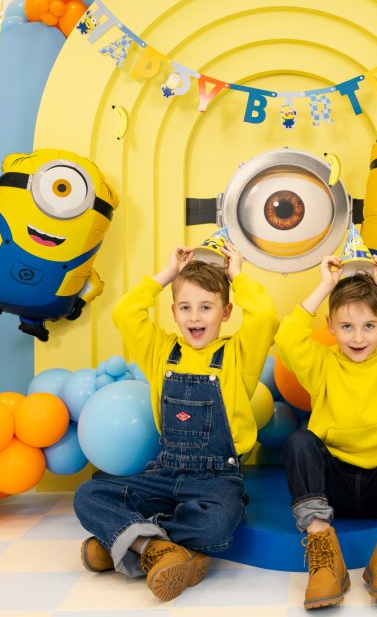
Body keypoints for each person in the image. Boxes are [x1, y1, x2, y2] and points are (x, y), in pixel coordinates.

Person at [73, 242, 279, 601]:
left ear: (227, 311)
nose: (195, 317)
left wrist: (236, 275)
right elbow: (125, 311)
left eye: (206, 307)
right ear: (173, 312)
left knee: (218, 524)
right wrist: (168, 274)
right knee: (87, 495)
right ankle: (158, 550)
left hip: (216, 479)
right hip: (165, 473)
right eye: (185, 307)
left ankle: (128, 541)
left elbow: (265, 316)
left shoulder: (238, 355)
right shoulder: (161, 350)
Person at [276, 255, 377, 609]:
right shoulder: (321, 363)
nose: (357, 337)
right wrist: (324, 286)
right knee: (299, 442)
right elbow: (287, 338)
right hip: (332, 487)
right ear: (330, 326)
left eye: (368, 325)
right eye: (347, 326)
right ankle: (324, 554)